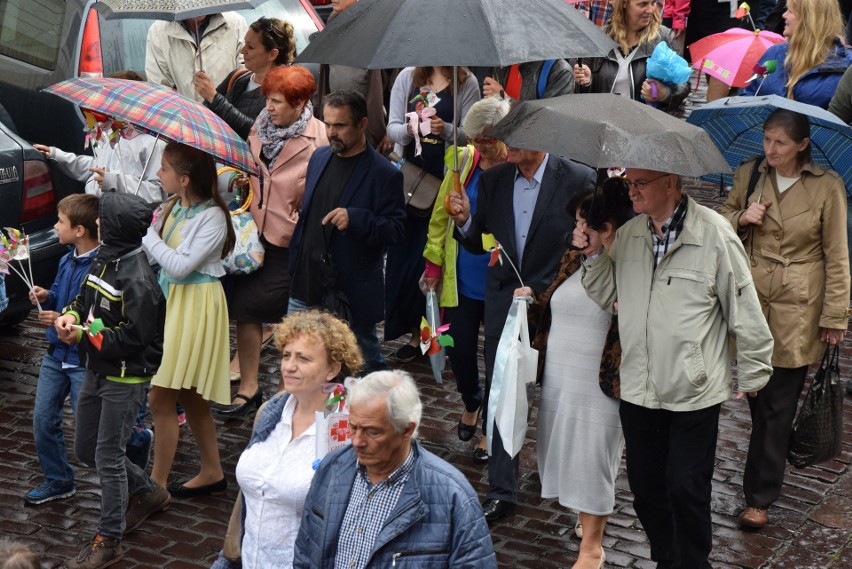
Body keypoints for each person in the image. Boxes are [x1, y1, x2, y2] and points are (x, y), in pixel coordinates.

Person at [575, 167, 774, 568]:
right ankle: (668, 560)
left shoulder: (713, 232)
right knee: (647, 489)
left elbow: (742, 301)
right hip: (639, 387)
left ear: (671, 183)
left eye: (640, 184)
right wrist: (595, 253)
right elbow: (607, 295)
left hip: (693, 390)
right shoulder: (630, 235)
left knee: (686, 488)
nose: (631, 191)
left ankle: (693, 563)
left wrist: (754, 368)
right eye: (630, 183)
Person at [447, 145, 596, 523]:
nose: (506, 145)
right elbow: (478, 236)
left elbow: (591, 242)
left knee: (562, 399)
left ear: (542, 139)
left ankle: (577, 494)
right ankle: (502, 490)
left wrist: (548, 289)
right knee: (504, 397)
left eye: (516, 137)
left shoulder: (578, 176)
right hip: (505, 303)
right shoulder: (495, 179)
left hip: (558, 304)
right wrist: (464, 219)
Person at [719, 109, 850, 529]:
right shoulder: (750, 174)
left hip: (798, 305)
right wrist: (742, 218)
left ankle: (758, 497)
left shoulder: (826, 187)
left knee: (777, 404)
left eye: (779, 143)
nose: (770, 150)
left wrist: (835, 316)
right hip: (752, 300)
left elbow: (837, 255)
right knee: (759, 400)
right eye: (766, 140)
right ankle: (773, 453)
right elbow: (718, 222)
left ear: (802, 145)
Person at [54, 193, 169, 569]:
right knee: (88, 450)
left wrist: (85, 336)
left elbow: (133, 339)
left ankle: (109, 539)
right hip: (97, 370)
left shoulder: (139, 280)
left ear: (117, 227)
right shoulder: (104, 261)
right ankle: (149, 491)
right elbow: (83, 301)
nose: (98, 224)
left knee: (107, 456)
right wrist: (70, 317)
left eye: (104, 220)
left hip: (126, 378)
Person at [523, 181, 633, 569]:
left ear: (608, 228)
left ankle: (592, 547)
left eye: (585, 224)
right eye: (576, 224)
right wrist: (530, 301)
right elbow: (554, 304)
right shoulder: (572, 260)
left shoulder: (629, 266)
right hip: (560, 376)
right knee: (566, 452)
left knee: (594, 457)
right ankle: (582, 519)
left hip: (600, 381)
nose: (576, 232)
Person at [293, 370, 497, 568]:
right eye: (353, 427)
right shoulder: (332, 467)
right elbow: (306, 552)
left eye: (372, 432)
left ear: (407, 429)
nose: (356, 441)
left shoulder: (453, 496)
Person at [210, 310, 363, 569]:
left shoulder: (347, 432)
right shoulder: (271, 411)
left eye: (303, 358)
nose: (289, 366)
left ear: (333, 369)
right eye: (286, 355)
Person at [221, 65, 329, 418]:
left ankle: (287, 395)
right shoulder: (259, 128)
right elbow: (253, 171)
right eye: (267, 99)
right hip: (252, 238)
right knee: (244, 310)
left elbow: (327, 188)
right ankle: (249, 388)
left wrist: (307, 199)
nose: (269, 107)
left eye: (277, 101)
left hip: (291, 241)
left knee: (286, 317)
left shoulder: (319, 138)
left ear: (300, 104)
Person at [141, 142, 236, 497]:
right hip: (172, 302)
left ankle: (157, 486)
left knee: (160, 399)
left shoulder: (212, 217)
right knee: (189, 393)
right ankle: (212, 471)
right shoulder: (173, 206)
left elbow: (180, 267)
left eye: (163, 169)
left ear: (183, 178)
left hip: (195, 304)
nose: (157, 174)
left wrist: (148, 235)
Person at [287, 90, 405, 373]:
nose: (331, 132)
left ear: (362, 124)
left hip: (349, 291)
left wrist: (357, 219)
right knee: (298, 357)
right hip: (306, 281)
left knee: (363, 364)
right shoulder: (319, 157)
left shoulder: (384, 174)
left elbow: (396, 230)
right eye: (327, 124)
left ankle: (382, 411)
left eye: (339, 126)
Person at [421, 96, 510, 462]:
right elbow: (441, 218)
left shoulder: (515, 167)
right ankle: (472, 398)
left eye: (487, 140)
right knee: (457, 352)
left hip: (499, 279)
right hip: (462, 280)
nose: (480, 147)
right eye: (475, 139)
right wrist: (433, 264)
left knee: (497, 358)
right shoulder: (463, 161)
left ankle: (489, 426)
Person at [385, 66, 480, 362]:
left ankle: (435, 333)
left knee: (433, 260)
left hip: (443, 184)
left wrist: (446, 129)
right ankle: (415, 333)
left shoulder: (466, 82)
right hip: (409, 181)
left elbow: (472, 134)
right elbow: (392, 127)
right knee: (403, 260)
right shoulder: (408, 76)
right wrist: (410, 129)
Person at [24, 195, 108, 506]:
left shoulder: (102, 269)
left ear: (81, 230)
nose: (55, 226)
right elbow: (61, 295)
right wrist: (48, 296)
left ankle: (137, 439)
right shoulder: (66, 259)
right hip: (54, 355)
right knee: (43, 419)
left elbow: (100, 323)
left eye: (61, 222)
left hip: (82, 361)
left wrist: (62, 319)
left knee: (93, 431)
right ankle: (58, 479)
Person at [34, 71, 165, 203]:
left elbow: (158, 193)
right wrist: (58, 156)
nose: (106, 103)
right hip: (99, 209)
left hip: (125, 217)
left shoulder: (152, 143)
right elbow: (98, 168)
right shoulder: (107, 132)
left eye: (115, 97)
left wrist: (113, 181)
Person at [573, 0, 690, 111]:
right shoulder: (598, 37)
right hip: (605, 124)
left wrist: (664, 93)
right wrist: (587, 82)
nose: (650, 10)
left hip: (645, 126)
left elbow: (683, 84)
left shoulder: (663, 38)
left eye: (653, 2)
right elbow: (581, 96)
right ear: (624, 3)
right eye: (642, 4)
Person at [196, 17, 297, 141]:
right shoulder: (238, 76)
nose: (243, 51)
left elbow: (257, 132)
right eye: (245, 43)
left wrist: (214, 98)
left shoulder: (284, 92)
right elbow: (205, 110)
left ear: (272, 54)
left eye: (250, 47)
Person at [314, 0, 395, 152]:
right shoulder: (334, 20)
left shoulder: (377, 27)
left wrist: (388, 130)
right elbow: (326, 75)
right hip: (335, 119)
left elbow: (392, 86)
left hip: (366, 128)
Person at [741, 0, 851, 110]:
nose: (784, 15)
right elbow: (748, 94)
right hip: (764, 125)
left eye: (790, 11)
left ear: (808, 18)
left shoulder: (846, 64)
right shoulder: (773, 52)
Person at [146, 12, 248, 102]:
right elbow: (160, 91)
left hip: (228, 120)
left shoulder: (236, 24)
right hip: (184, 120)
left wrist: (217, 102)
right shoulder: (158, 32)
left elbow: (246, 81)